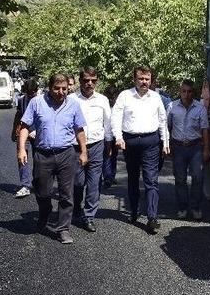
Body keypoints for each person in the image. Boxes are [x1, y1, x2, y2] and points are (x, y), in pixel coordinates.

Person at [17, 73, 88, 244]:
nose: (61, 92)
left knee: (66, 194)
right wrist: (21, 149)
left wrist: (84, 152)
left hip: (66, 154)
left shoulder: (73, 104)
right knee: (42, 192)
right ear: (50, 87)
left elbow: (79, 130)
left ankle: (63, 229)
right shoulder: (37, 103)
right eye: (57, 88)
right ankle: (45, 210)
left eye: (64, 89)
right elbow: (25, 126)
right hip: (43, 154)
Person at [111, 65, 169, 233]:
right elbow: (116, 117)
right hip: (130, 142)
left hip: (151, 142)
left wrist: (165, 142)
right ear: (134, 79)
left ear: (151, 80)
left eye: (147, 79)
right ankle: (134, 211)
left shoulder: (156, 97)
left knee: (151, 179)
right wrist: (118, 138)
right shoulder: (125, 96)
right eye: (141, 79)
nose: (144, 82)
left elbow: (162, 120)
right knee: (133, 178)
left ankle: (152, 217)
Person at [71, 67, 112, 232]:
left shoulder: (102, 100)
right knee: (78, 182)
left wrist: (109, 145)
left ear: (97, 81)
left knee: (94, 182)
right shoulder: (71, 99)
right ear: (80, 81)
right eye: (86, 80)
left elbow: (107, 123)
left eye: (93, 80)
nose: (89, 83)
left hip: (96, 145)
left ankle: (89, 216)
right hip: (74, 147)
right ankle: (75, 207)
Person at [167, 79, 210, 220]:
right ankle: (182, 208)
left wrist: (206, 150)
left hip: (195, 148)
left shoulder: (200, 108)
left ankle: (196, 208)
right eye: (184, 91)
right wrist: (167, 145)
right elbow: (167, 127)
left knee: (198, 177)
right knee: (180, 179)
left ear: (194, 92)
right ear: (180, 91)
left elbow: (204, 130)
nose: (186, 94)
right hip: (178, 147)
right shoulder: (171, 107)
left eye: (189, 91)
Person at [11, 78, 40, 198]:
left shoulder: (41, 101)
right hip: (23, 132)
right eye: (28, 92)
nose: (30, 95)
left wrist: (36, 130)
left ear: (36, 91)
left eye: (32, 92)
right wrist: (14, 131)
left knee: (39, 159)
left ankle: (37, 182)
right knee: (22, 157)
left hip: (37, 133)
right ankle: (25, 185)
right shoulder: (22, 100)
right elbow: (19, 115)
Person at [101, 85, 120, 189]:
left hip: (115, 136)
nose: (112, 97)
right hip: (107, 136)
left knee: (110, 156)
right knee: (109, 156)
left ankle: (110, 176)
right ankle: (108, 177)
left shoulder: (117, 107)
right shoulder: (106, 107)